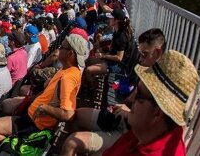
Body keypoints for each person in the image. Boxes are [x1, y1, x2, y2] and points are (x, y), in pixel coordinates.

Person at [62, 28, 167, 156]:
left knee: (71, 143)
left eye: (144, 54)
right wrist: (121, 105)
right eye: (140, 53)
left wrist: (127, 113)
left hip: (127, 133)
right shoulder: (145, 71)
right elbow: (131, 99)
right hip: (118, 119)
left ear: (157, 52)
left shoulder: (162, 89)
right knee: (75, 115)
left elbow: (146, 127)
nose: (140, 59)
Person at [0, 33, 87, 146]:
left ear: (70, 53)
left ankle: (13, 149)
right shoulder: (68, 70)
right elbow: (49, 92)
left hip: (36, 123)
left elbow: (68, 114)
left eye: (61, 47)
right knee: (6, 104)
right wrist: (31, 99)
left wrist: (44, 108)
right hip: (33, 113)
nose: (58, 49)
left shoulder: (68, 78)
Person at [103, 50, 199, 155]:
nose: (132, 98)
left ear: (157, 113)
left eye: (139, 94)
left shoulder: (146, 136)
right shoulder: (147, 131)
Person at [84, 8, 133, 89]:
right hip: (111, 60)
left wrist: (103, 56)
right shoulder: (117, 31)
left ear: (116, 20)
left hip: (116, 66)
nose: (108, 19)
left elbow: (119, 58)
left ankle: (92, 88)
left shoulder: (121, 36)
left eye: (110, 18)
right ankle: (87, 84)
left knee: (88, 70)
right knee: (88, 61)